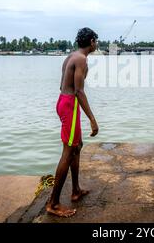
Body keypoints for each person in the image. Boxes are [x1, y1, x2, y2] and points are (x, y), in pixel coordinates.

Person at [46, 27, 99, 218]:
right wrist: (92, 119)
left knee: (77, 146)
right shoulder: (82, 60)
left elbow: (63, 86)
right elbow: (78, 91)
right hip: (70, 105)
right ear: (92, 41)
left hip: (64, 101)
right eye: (96, 41)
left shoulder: (71, 56)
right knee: (68, 152)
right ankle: (53, 203)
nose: (97, 44)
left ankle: (75, 190)